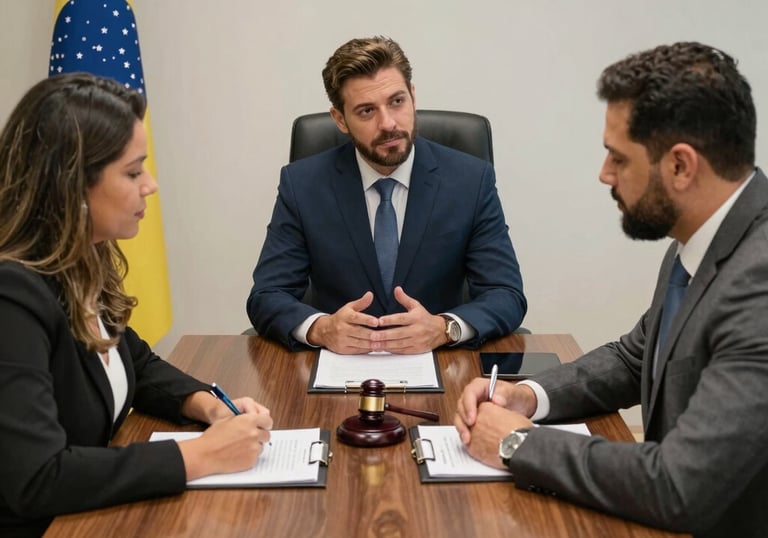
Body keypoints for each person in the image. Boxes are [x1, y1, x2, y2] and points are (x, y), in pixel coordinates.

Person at [454, 42, 768, 538]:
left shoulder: (759, 284)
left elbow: (679, 488)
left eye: (618, 158)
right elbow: (634, 358)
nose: (604, 174)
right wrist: (527, 397)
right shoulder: (698, 243)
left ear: (681, 167)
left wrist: (519, 445)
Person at [0, 74, 273, 538]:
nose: (151, 185)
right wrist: (201, 456)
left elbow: (135, 364)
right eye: (132, 172)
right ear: (71, 185)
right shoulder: (12, 297)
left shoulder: (81, 260)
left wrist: (210, 407)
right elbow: (36, 477)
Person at [246, 36, 526, 355]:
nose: (389, 123)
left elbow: (505, 294)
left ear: (413, 96)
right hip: (338, 370)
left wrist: (444, 328)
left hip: (441, 368)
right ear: (340, 119)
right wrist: (322, 329)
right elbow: (267, 296)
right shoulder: (302, 184)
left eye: (397, 101)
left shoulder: (471, 180)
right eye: (366, 111)